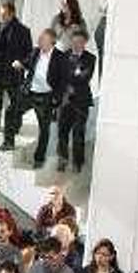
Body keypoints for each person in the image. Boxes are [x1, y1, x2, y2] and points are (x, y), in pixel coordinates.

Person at [2, 29, 68, 168]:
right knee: (11, 111)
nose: (40, 41)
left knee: (44, 129)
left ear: (51, 42)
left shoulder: (60, 57)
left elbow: (63, 81)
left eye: (43, 39)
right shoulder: (36, 51)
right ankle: (8, 142)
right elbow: (27, 62)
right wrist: (19, 63)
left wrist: (57, 99)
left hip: (46, 97)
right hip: (29, 93)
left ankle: (39, 159)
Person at [0, 0, 33, 131]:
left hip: (14, 72)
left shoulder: (23, 31)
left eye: (4, 14)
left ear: (12, 14)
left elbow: (29, 53)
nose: (2, 17)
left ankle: (14, 126)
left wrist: (22, 63)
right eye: (1, 14)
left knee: (15, 102)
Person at [56, 30, 97, 173]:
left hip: (81, 101)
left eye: (80, 42)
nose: (76, 45)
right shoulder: (63, 56)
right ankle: (62, 161)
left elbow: (85, 78)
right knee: (62, 132)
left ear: (85, 43)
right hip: (65, 100)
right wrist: (73, 75)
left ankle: (77, 164)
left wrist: (70, 77)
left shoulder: (91, 58)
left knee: (78, 133)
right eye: (74, 41)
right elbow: (59, 77)